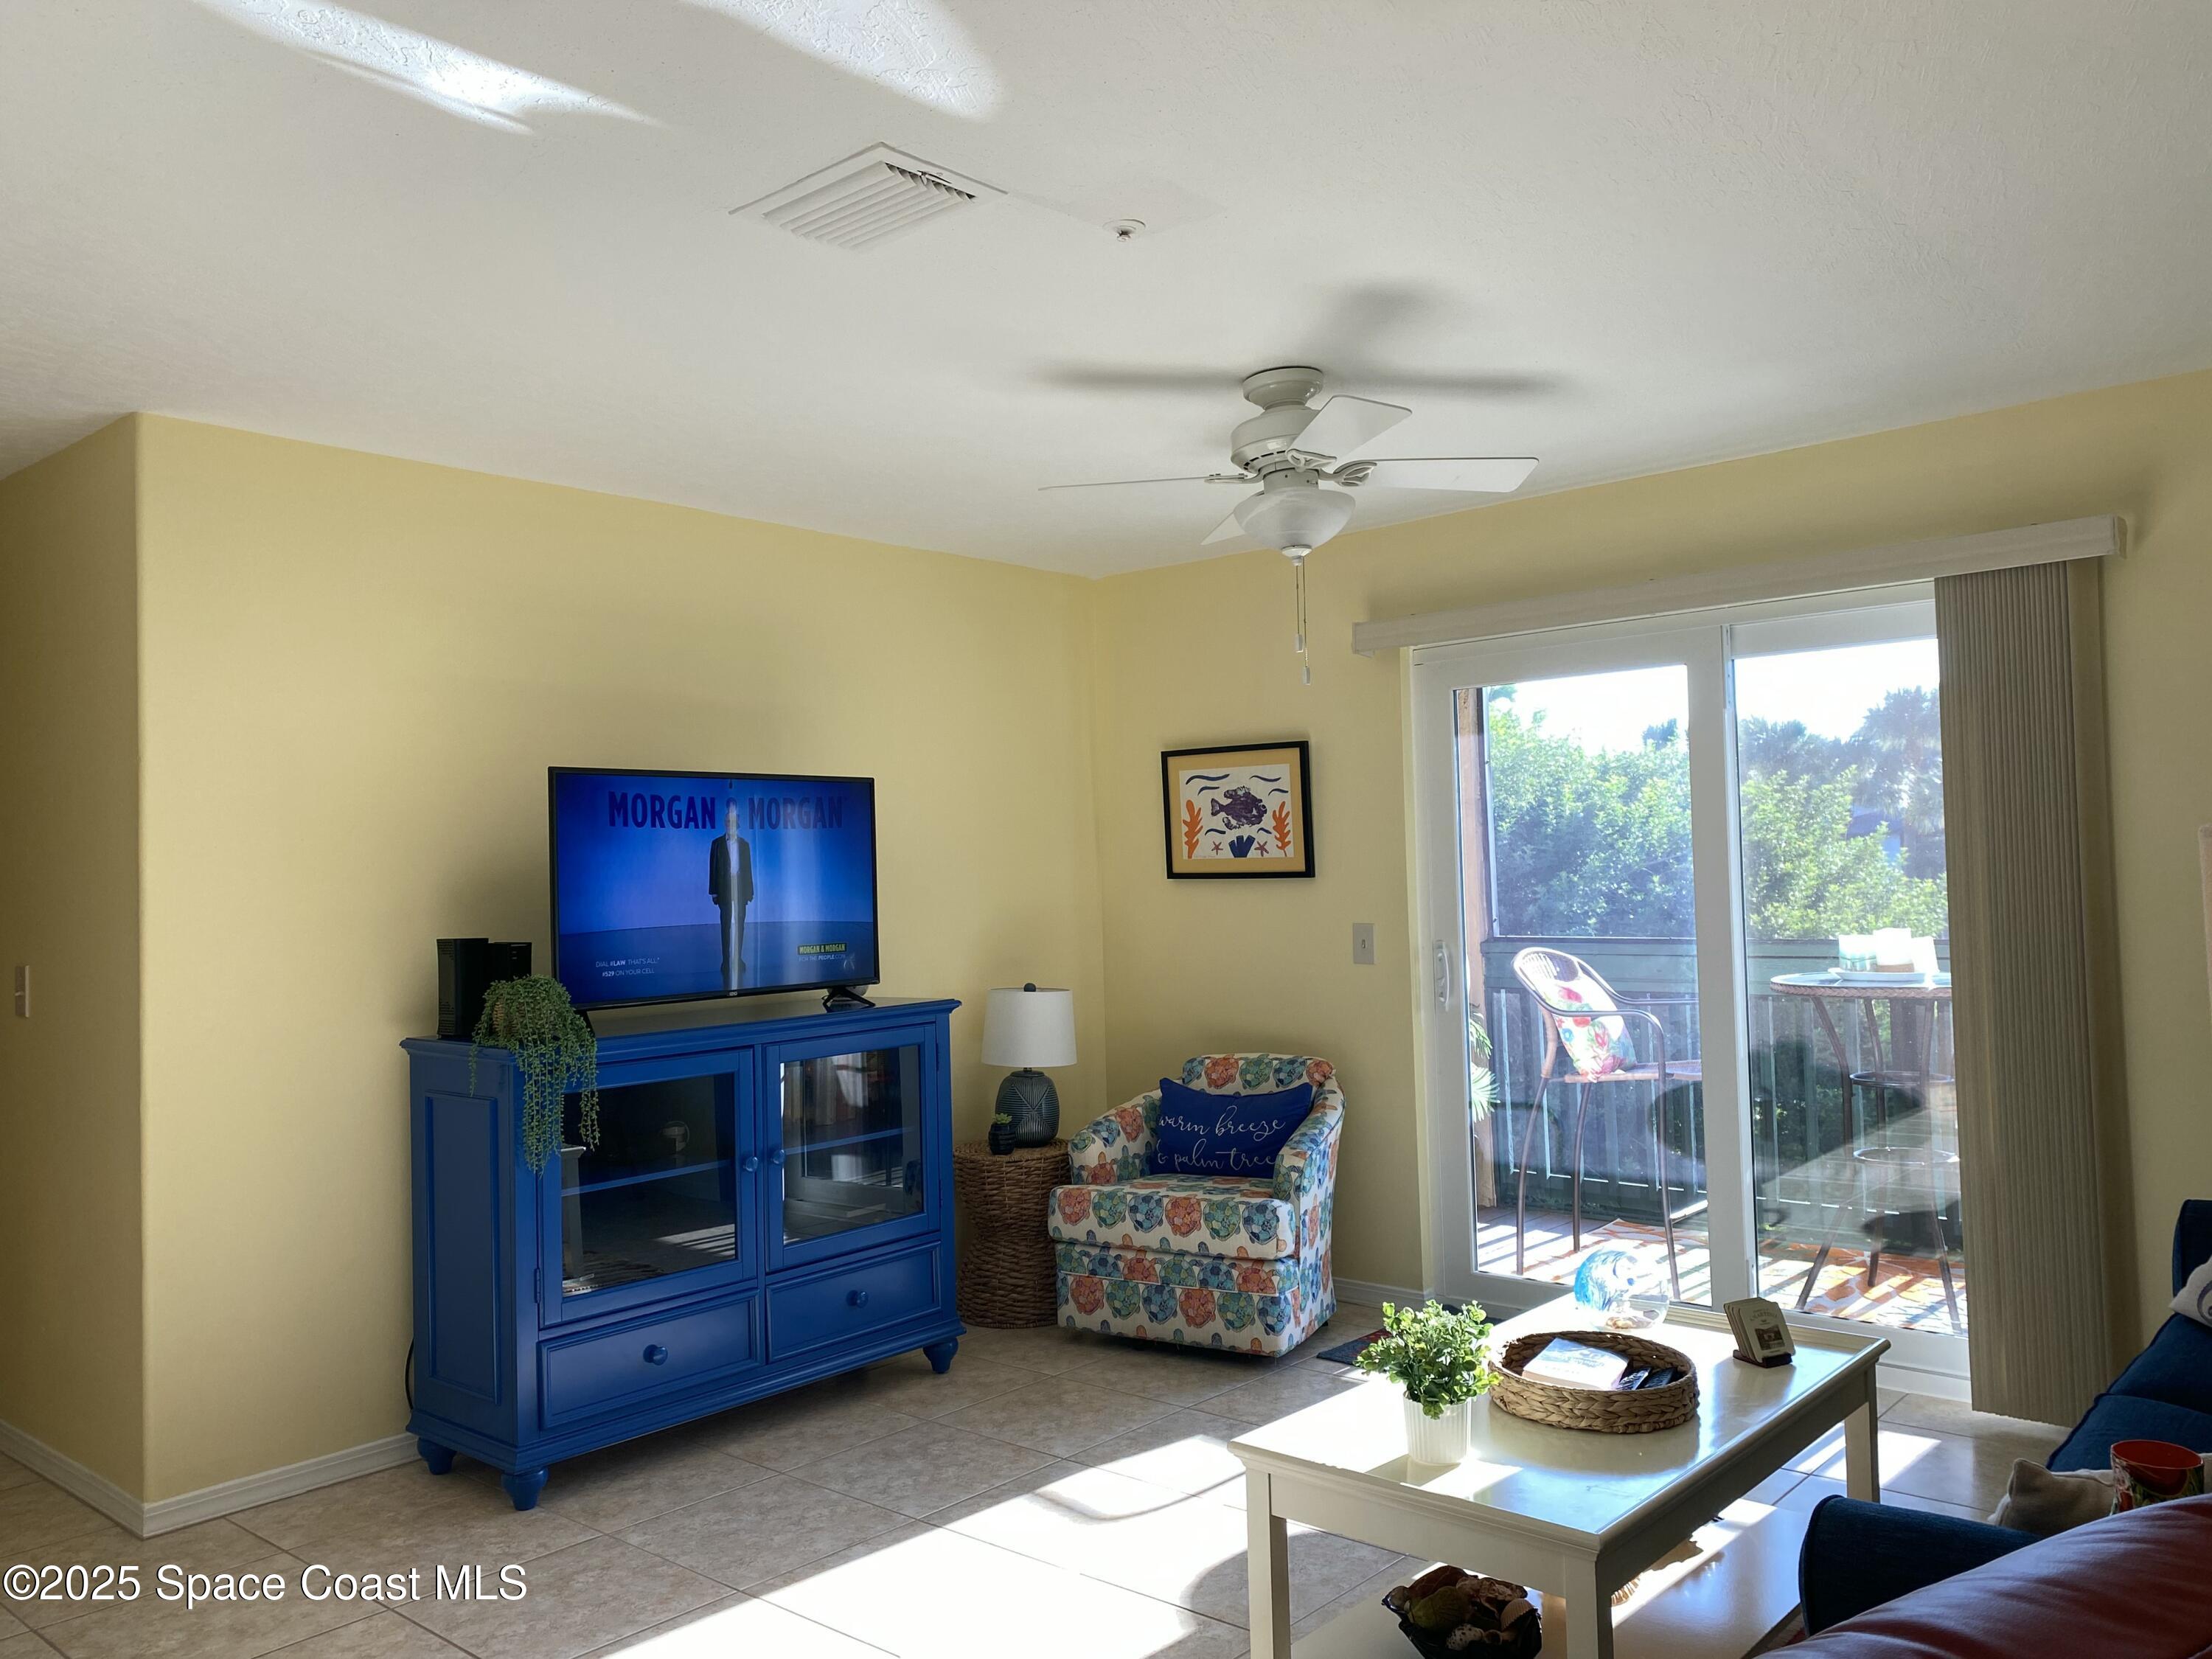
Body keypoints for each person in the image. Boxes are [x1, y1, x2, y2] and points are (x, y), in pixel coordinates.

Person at [708, 802, 754, 992]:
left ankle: (738, 958)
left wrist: (750, 892)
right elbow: (713, 869)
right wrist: (714, 891)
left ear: (738, 823)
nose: (730, 823)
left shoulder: (745, 845)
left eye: (733, 821)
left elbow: (749, 870)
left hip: (741, 890)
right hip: (724, 890)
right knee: (725, 925)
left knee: (740, 924)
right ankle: (726, 961)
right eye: (727, 821)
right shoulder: (717, 844)